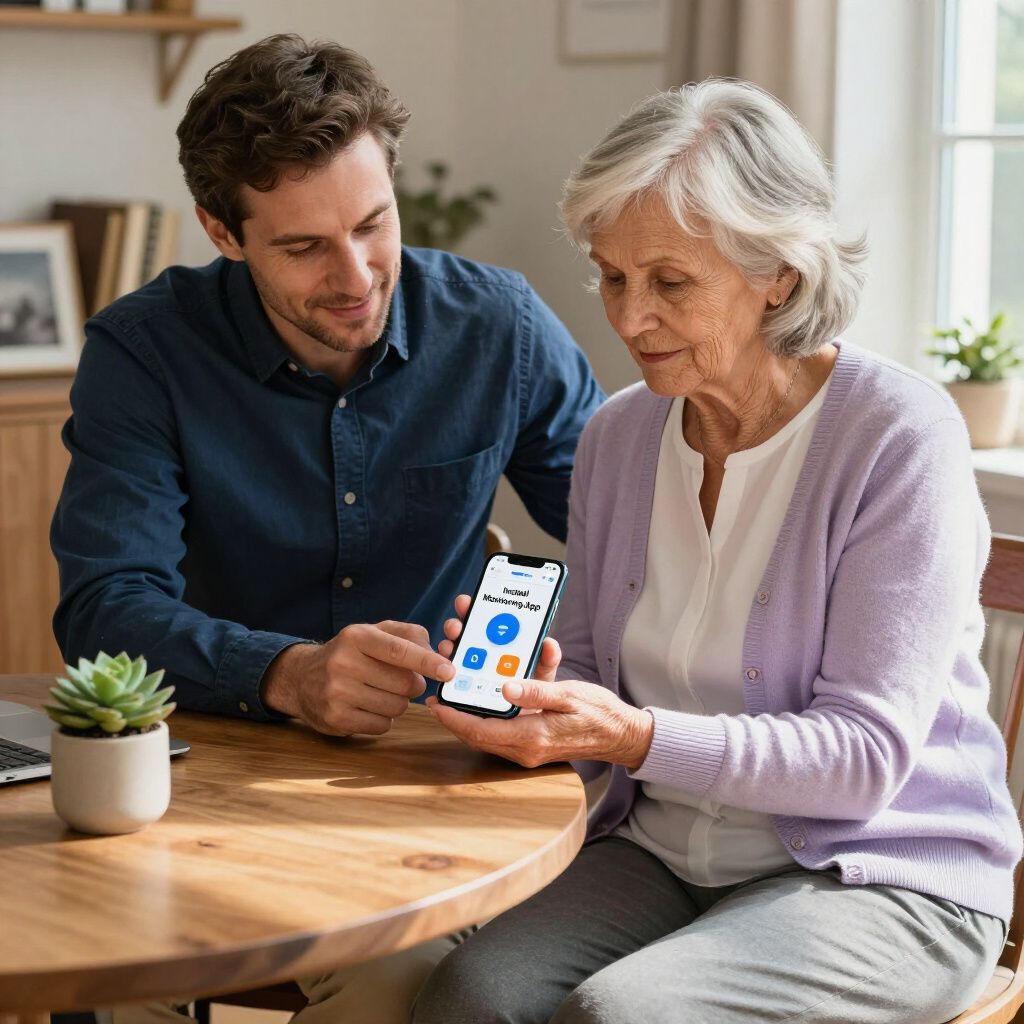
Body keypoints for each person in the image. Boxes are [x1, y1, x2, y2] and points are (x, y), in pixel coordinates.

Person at [414, 79, 1023, 1024]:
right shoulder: (619, 438)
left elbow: (862, 759)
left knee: (617, 1017)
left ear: (778, 270)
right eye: (611, 275)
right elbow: (585, 667)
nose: (627, 318)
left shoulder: (899, 436)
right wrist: (536, 694)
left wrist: (627, 734)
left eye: (670, 282)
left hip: (881, 876)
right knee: (470, 996)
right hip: (658, 853)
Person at [51, 33, 602, 1024]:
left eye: (373, 225)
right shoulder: (145, 353)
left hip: (425, 780)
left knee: (407, 984)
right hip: (208, 772)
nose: (353, 275)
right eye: (303, 246)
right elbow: (104, 608)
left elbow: (625, 545)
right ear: (224, 232)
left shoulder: (497, 329)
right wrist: (285, 671)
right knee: (120, 969)